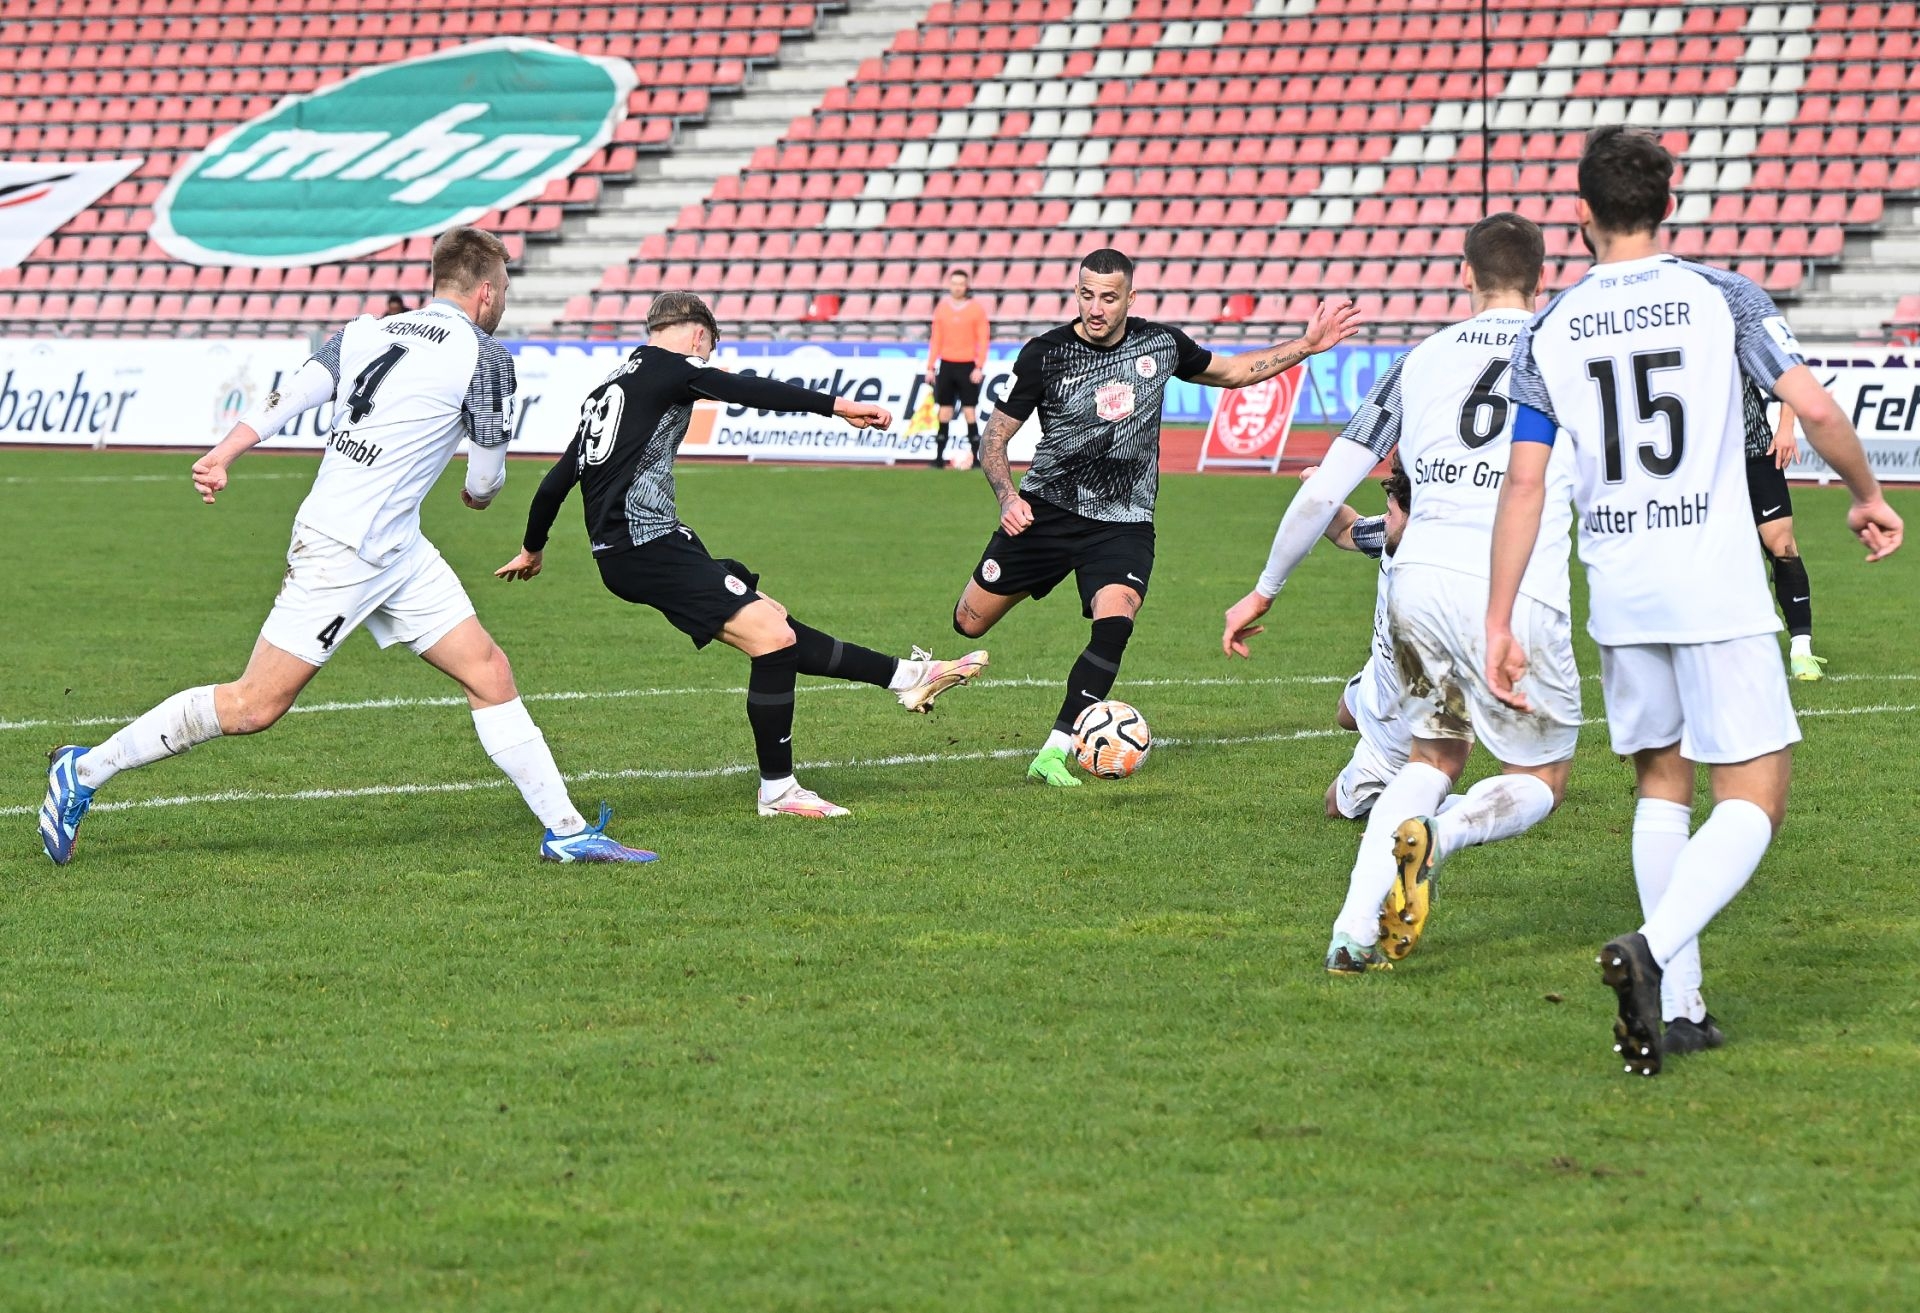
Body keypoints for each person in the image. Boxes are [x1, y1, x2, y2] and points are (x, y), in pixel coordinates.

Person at [37, 227, 655, 866]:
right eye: (503, 290)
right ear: (486, 292)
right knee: (253, 705)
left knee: (489, 670)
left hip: (395, 547)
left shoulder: (367, 331)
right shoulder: (485, 355)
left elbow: (293, 393)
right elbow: (485, 476)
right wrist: (479, 495)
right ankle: (82, 773)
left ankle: (567, 831)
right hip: (343, 551)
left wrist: (225, 452)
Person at [1487, 126, 1903, 1076]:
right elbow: (1821, 409)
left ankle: (1682, 1009)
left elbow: (1522, 484)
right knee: (1755, 792)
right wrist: (1869, 497)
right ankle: (1654, 948)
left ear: (1581, 214)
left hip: (1622, 588)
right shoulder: (1722, 296)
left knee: (1660, 786)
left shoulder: (1550, 327)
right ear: (1667, 205)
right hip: (1713, 580)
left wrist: (1501, 616)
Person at [1224, 214, 1582, 973]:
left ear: (1464, 275)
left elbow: (1323, 491)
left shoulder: (1421, 359)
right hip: (1520, 585)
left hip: (1417, 586)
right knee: (1541, 776)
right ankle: (1443, 836)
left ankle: (1353, 932)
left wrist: (1264, 590)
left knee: (1432, 754)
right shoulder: (1568, 353)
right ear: (1544, 278)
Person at [493, 292, 989, 819]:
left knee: (774, 622)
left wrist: (533, 546)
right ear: (699, 335)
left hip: (649, 544)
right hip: (645, 545)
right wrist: (839, 406)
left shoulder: (608, 387)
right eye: (706, 353)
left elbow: (555, 481)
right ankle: (778, 791)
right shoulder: (675, 366)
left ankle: (909, 677)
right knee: (773, 643)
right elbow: (750, 389)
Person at [954, 249, 1362, 786]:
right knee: (968, 622)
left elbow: (1235, 372)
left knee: (1116, 622)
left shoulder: (1159, 344)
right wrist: (1008, 497)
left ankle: (1055, 748)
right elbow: (995, 438)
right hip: (1046, 513)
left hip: (1123, 524)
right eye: (1086, 295)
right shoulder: (1045, 354)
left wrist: (1308, 346)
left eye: (1108, 297)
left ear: (1130, 298)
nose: (1095, 308)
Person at [1319, 464, 1413, 822]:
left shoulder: (1431, 579)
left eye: (1390, 513)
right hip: (1381, 672)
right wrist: (1319, 493)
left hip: (1400, 720)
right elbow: (1345, 529)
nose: (1384, 520)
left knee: (1334, 807)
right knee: (1345, 713)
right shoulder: (1396, 534)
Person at [1745, 385, 1824, 678]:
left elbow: (1784, 377)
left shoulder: (1741, 338)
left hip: (1757, 452)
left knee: (1783, 546)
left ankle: (1801, 651)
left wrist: (1786, 427)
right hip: (1702, 460)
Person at [925, 269, 990, 468]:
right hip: (947, 365)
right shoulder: (942, 309)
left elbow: (983, 338)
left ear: (966, 286)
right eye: (954, 283)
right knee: (943, 412)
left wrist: (979, 365)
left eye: (961, 284)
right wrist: (930, 366)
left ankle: (976, 459)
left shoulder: (976, 310)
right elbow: (936, 339)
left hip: (967, 366)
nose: (957, 287)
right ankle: (938, 459)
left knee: (970, 412)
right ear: (950, 285)